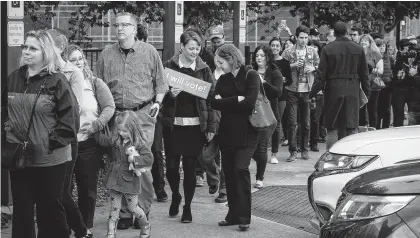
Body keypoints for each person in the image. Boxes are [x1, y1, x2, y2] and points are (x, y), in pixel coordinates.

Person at [96, 12, 169, 230]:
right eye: (117, 25)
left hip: (143, 115)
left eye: (125, 25)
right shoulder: (106, 54)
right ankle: (126, 213)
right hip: (117, 117)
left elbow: (161, 83)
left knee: (141, 163)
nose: (120, 28)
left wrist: (158, 103)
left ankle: (142, 210)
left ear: (135, 29)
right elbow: (98, 87)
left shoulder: (149, 52)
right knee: (120, 163)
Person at [5, 29, 79, 238]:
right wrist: (6, 140)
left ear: (45, 52)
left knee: (50, 211)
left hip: (50, 159)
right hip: (19, 156)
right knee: (22, 211)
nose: (26, 52)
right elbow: (3, 112)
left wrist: (48, 144)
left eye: (33, 48)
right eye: (25, 47)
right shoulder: (14, 78)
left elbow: (71, 121)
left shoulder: (57, 81)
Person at [162, 30, 216, 223]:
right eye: (191, 48)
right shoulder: (169, 66)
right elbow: (159, 95)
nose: (195, 52)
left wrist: (210, 127)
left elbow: (211, 100)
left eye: (198, 48)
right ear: (182, 47)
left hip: (195, 127)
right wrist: (171, 95)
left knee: (191, 167)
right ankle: (176, 194)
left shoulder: (205, 69)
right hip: (173, 126)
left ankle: (187, 207)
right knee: (171, 167)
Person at [46, 29, 92, 238]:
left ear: (59, 48)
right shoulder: (41, 71)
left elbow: (75, 109)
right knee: (51, 192)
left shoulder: (73, 73)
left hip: (65, 139)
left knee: (61, 191)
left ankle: (80, 230)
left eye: (46, 45)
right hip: (43, 138)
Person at [67, 44, 116, 233]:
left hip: (88, 144)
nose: (78, 62)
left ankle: (85, 227)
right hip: (65, 144)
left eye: (80, 58)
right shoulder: (60, 82)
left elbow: (109, 106)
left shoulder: (94, 83)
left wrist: (97, 124)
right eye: (73, 60)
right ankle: (68, 225)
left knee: (87, 190)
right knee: (65, 189)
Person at [212, 44, 260, 231]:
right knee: (230, 174)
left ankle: (244, 216)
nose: (219, 66)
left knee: (241, 170)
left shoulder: (251, 75)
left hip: (248, 131)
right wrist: (235, 100)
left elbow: (249, 104)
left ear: (231, 59)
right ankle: (232, 214)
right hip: (228, 132)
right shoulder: (223, 79)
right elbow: (214, 103)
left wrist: (229, 102)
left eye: (221, 62)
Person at [310, 21, 370, 150]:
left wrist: (312, 93)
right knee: (351, 126)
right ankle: (351, 157)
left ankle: (331, 158)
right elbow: (364, 74)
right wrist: (367, 93)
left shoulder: (327, 49)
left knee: (332, 127)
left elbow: (320, 75)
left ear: (334, 33)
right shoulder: (358, 49)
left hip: (333, 89)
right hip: (352, 89)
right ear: (347, 32)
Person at [96, 111, 153, 238]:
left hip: (130, 181)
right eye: (120, 130)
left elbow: (149, 158)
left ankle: (145, 226)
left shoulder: (139, 144)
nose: (122, 133)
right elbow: (104, 141)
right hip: (115, 180)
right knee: (114, 209)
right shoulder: (116, 140)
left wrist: (135, 160)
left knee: (133, 208)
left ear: (133, 128)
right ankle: (111, 233)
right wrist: (96, 130)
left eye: (125, 131)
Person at [136, 22, 168, 203]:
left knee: (155, 150)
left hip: (151, 112)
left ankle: (159, 187)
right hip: (135, 113)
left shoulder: (151, 56)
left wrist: (157, 103)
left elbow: (161, 83)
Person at [282, 25, 320, 162]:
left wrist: (313, 68)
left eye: (306, 38)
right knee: (292, 122)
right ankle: (293, 151)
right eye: (301, 38)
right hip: (292, 89)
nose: (304, 40)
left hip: (307, 90)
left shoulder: (312, 51)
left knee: (306, 122)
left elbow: (319, 66)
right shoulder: (288, 52)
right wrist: (292, 65)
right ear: (296, 37)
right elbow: (281, 69)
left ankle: (305, 149)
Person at [251, 45, 283, 188]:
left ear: (268, 57)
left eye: (262, 55)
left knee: (262, 146)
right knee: (251, 146)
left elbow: (278, 93)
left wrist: (264, 83)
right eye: (257, 55)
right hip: (251, 112)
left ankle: (259, 178)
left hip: (268, 113)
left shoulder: (275, 72)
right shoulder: (250, 70)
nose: (259, 58)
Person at [269, 37, 292, 163]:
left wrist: (283, 80)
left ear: (281, 47)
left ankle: (274, 153)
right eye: (273, 45)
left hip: (281, 96)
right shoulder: (265, 61)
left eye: (277, 46)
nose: (275, 48)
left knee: (277, 124)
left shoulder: (285, 62)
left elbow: (290, 80)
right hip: (267, 96)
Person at [359, 34, 384, 128]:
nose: (363, 43)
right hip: (360, 85)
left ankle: (374, 128)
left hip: (372, 85)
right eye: (362, 41)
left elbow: (381, 70)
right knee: (361, 108)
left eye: (365, 41)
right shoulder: (358, 52)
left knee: (372, 108)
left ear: (370, 42)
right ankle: (361, 128)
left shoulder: (375, 53)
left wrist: (370, 69)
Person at [375, 40, 394, 129]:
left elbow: (393, 69)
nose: (382, 47)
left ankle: (386, 127)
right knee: (377, 108)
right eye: (380, 46)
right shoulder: (374, 57)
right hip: (377, 84)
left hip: (388, 85)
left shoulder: (389, 58)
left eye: (383, 46)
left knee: (387, 109)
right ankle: (377, 126)